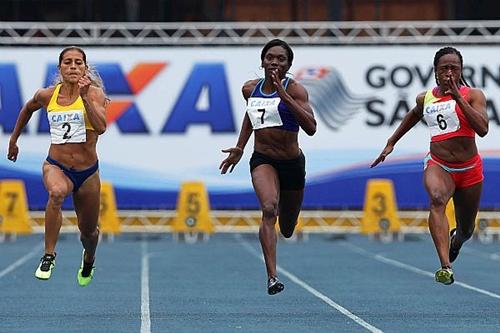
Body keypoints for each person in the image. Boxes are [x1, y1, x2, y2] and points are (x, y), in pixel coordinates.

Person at [371, 47, 488, 285]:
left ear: (461, 71)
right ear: (435, 71)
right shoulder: (426, 98)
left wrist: (457, 98)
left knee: (467, 229)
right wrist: (391, 142)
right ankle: (445, 265)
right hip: (439, 164)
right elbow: (414, 115)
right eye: (444, 68)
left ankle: (457, 240)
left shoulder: (473, 95)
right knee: (436, 200)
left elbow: (483, 128)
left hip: (468, 169)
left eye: (454, 68)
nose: (449, 73)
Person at [220, 39, 317, 295]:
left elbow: (311, 128)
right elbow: (251, 116)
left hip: (292, 163)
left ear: (288, 65)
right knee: (268, 207)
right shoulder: (249, 89)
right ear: (262, 61)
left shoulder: (296, 90)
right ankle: (272, 276)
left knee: (286, 228)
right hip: (263, 159)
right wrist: (240, 147)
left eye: (281, 59)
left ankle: (288, 221)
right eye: (270, 57)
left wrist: (284, 96)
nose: (274, 62)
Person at [7, 46, 108, 286]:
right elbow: (27, 108)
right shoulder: (47, 95)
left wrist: (83, 98)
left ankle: (89, 258)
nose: (73, 67)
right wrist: (13, 140)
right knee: (56, 193)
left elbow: (102, 127)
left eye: (78, 63)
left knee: (89, 233)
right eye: (68, 62)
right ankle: (49, 255)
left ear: (85, 68)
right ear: (60, 68)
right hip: (57, 165)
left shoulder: (95, 94)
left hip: (87, 172)